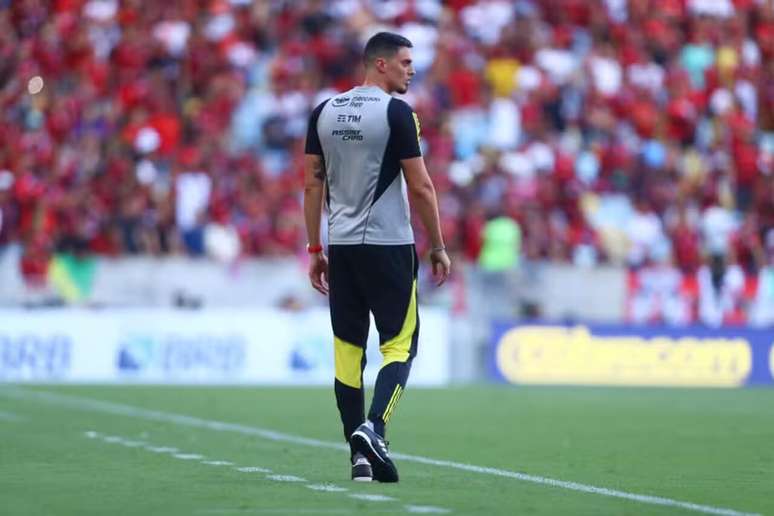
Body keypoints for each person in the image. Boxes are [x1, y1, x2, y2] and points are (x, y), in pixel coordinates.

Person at [303, 32, 450, 483]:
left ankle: (359, 459)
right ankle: (376, 429)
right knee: (400, 346)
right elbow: (421, 186)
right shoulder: (396, 114)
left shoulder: (323, 112)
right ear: (380, 64)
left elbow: (312, 185)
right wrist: (439, 245)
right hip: (387, 245)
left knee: (348, 352)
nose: (412, 69)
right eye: (405, 62)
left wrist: (315, 248)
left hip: (342, 248)